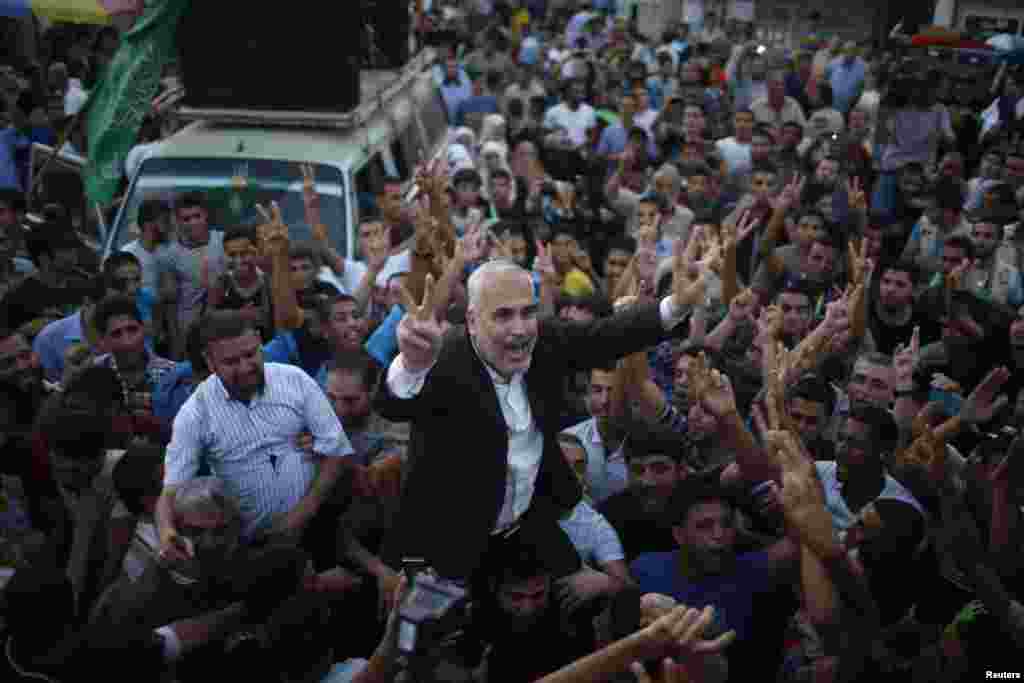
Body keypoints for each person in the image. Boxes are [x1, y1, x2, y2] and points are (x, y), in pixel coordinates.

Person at [374, 253, 707, 580]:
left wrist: (675, 305)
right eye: (503, 316)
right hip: (442, 547)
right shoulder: (445, 357)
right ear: (473, 321)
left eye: (527, 313)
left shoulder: (544, 340)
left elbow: (605, 337)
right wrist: (413, 364)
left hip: (529, 523)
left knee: (602, 595)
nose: (520, 329)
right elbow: (394, 406)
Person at [156, 311, 354, 569]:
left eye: (250, 355)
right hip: (252, 547)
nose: (245, 367)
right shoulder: (196, 412)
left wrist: (304, 511)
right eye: (230, 361)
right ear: (209, 360)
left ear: (260, 342)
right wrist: (166, 533)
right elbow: (171, 489)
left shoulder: (295, 380)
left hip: (321, 524)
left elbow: (336, 450)